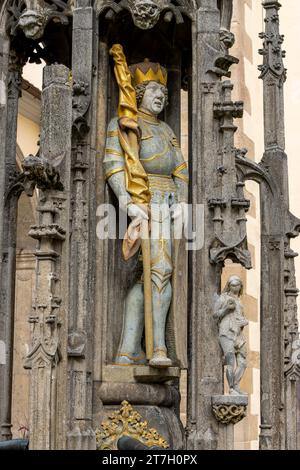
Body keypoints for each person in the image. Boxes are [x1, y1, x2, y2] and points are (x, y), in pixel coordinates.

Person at [103, 58, 188, 368]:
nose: (161, 96)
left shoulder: (165, 129)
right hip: (145, 200)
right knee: (158, 272)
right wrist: (126, 200)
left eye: (164, 93)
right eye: (155, 90)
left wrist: (181, 198)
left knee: (153, 276)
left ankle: (129, 348)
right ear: (138, 92)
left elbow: (180, 168)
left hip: (167, 202)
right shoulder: (124, 124)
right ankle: (158, 348)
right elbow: (112, 164)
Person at [213, 275, 248, 395]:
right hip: (226, 332)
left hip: (238, 334)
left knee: (243, 362)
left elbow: (240, 316)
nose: (235, 287)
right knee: (230, 361)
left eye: (238, 285)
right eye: (233, 285)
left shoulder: (239, 300)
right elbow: (215, 315)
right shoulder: (223, 298)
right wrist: (226, 309)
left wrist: (245, 321)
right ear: (228, 286)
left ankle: (235, 385)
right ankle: (232, 389)